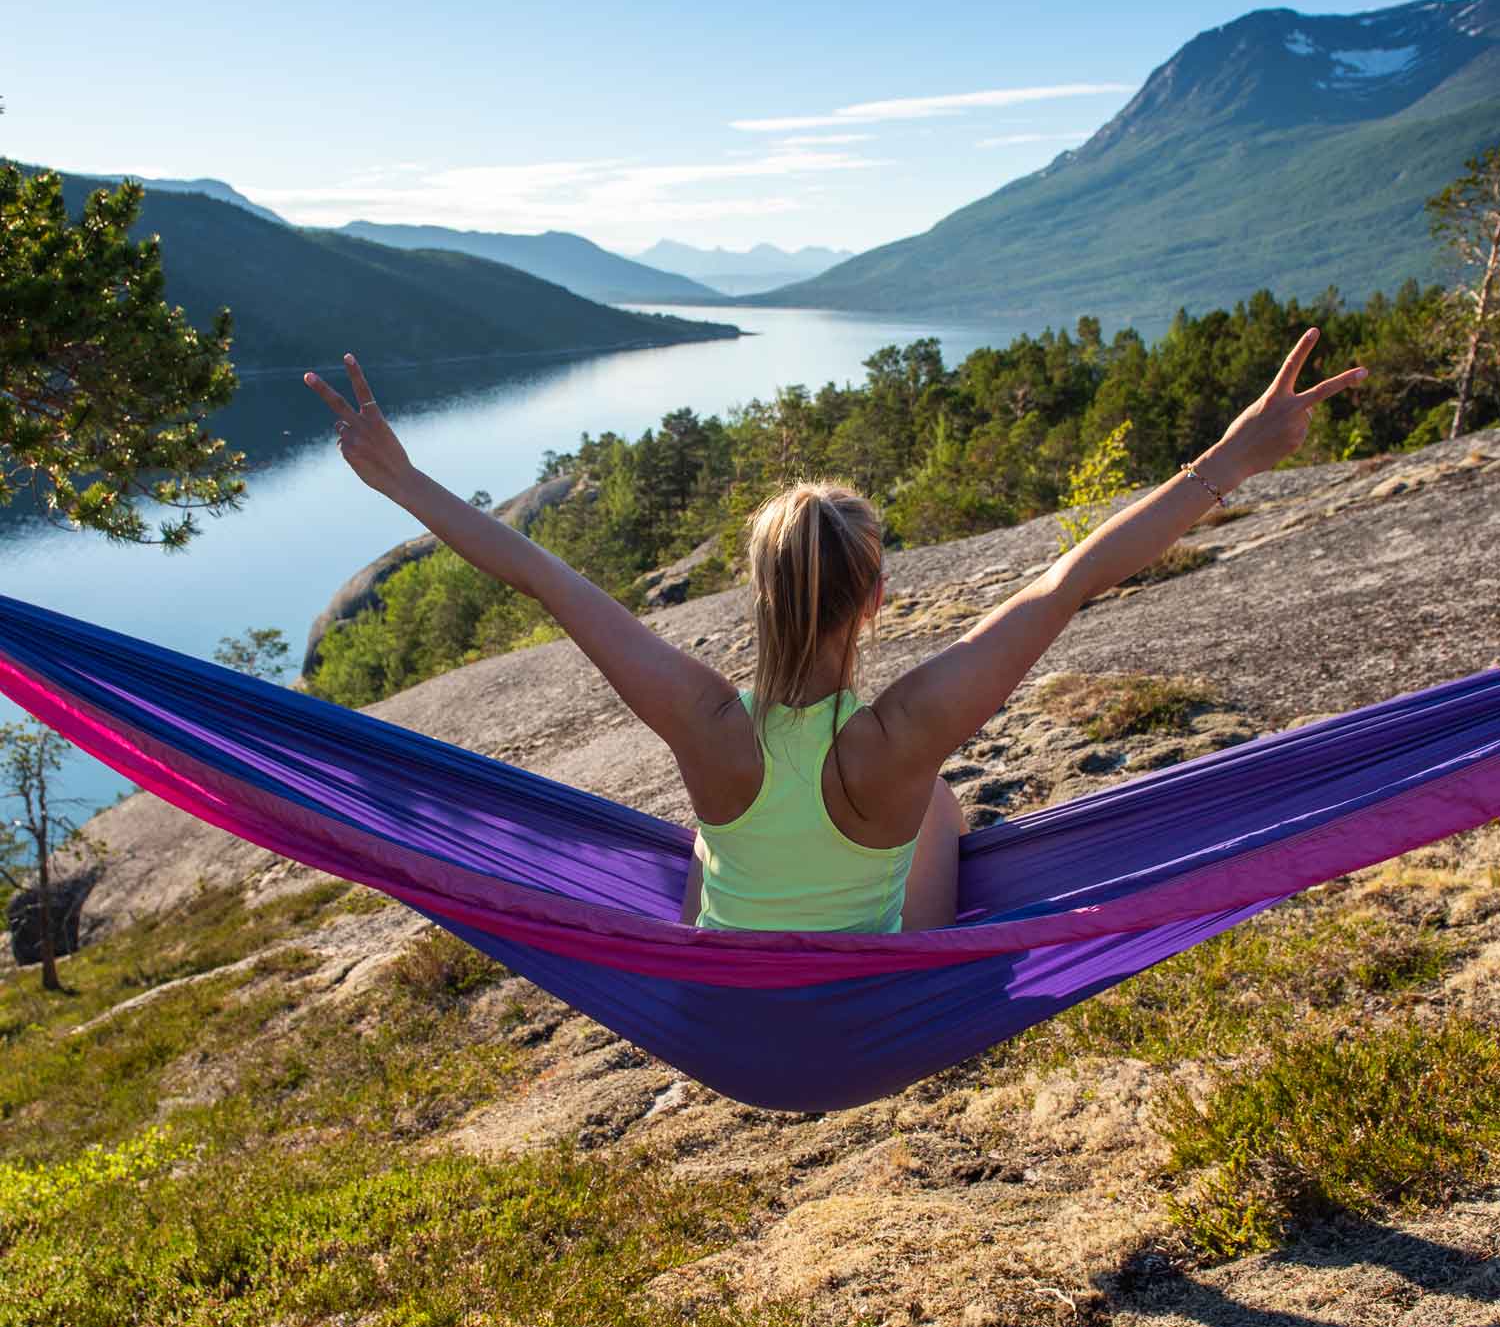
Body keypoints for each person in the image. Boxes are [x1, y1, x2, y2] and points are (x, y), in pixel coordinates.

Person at [305, 329, 1363, 935]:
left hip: (728, 1005)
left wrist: (403, 481)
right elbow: (1073, 576)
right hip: (867, 1008)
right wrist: (1230, 458)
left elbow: (542, 576)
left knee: (706, 836)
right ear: (877, 598)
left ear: (756, 598)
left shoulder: (703, 719)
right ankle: (909, 954)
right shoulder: (906, 733)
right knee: (941, 802)